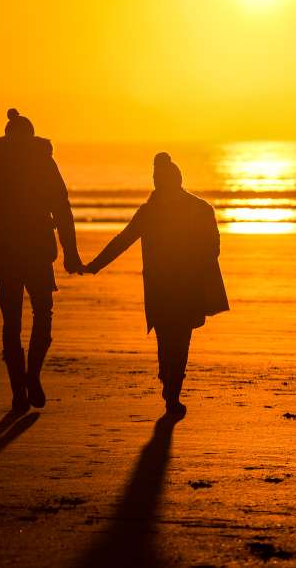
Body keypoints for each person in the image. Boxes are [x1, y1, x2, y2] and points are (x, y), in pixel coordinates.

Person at [84, 152, 228, 418]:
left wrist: (94, 266)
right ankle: (172, 391)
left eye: (157, 179)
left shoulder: (154, 210)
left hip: (165, 287)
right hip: (183, 286)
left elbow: (123, 240)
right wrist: (94, 265)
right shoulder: (198, 208)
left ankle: (170, 389)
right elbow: (213, 248)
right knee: (179, 341)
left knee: (169, 339)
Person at [0, 109, 84, 412]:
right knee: (35, 316)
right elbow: (63, 210)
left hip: (25, 253)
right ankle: (26, 383)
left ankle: (25, 384)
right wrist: (69, 252)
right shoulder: (35, 163)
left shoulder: (7, 165)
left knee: (19, 320)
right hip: (27, 252)